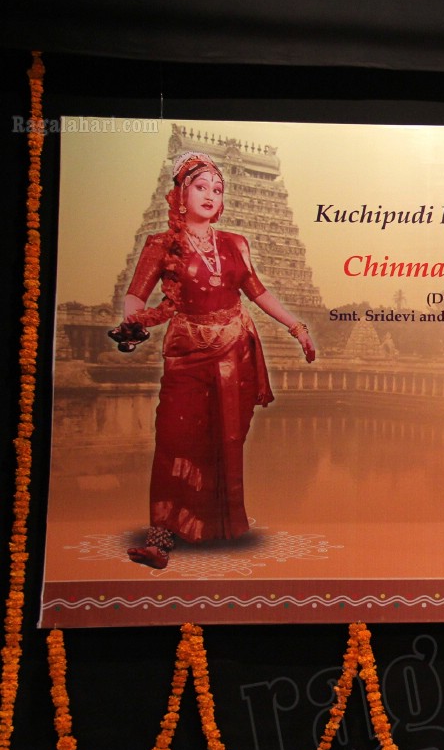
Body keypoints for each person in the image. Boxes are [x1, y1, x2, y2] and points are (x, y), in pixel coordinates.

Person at [110, 151, 315, 568]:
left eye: (217, 189)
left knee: (225, 438)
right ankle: (160, 537)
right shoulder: (161, 244)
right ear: (181, 197)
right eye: (200, 187)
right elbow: (136, 294)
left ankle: (217, 523)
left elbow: (258, 292)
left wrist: (297, 327)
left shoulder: (234, 243)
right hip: (187, 352)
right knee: (173, 438)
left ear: (222, 202)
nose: (210, 195)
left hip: (233, 352)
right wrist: (132, 324)